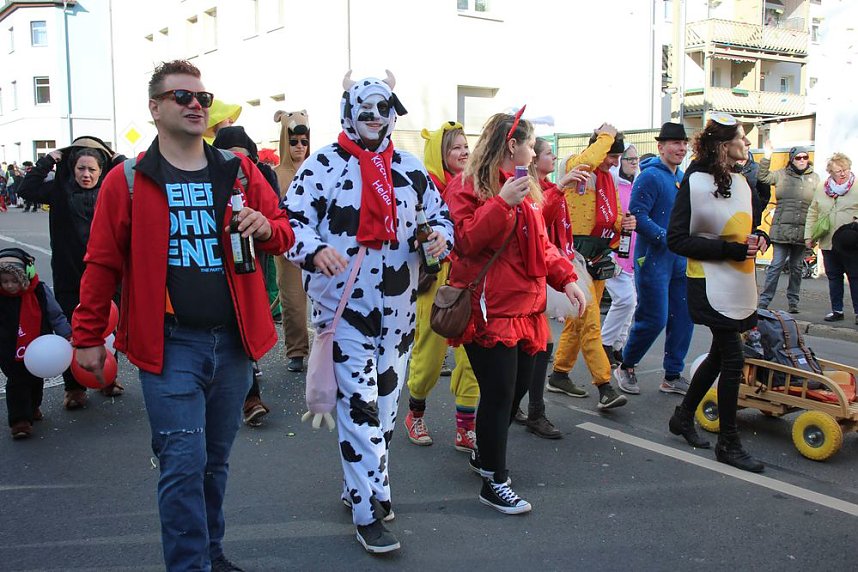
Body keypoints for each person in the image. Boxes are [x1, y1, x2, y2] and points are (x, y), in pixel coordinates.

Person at [72, 60, 294, 571]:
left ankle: (211, 555)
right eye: (182, 97)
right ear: (155, 108)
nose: (196, 105)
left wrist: (267, 227)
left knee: (213, 463)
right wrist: (86, 336)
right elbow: (101, 262)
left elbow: (285, 231)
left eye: (202, 97)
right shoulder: (128, 179)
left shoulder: (238, 171)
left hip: (233, 346)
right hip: (170, 347)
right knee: (182, 464)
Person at [284, 71, 452, 554]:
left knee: (384, 410)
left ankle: (358, 485)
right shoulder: (322, 166)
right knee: (359, 409)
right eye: (365, 109)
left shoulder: (410, 169)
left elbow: (441, 218)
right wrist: (315, 250)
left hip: (399, 315)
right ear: (348, 113)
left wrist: (439, 239)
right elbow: (290, 222)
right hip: (343, 312)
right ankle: (369, 507)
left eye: (384, 108)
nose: (375, 117)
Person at [445, 110, 586, 514]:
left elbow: (542, 244)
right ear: (512, 145)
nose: (536, 151)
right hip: (488, 310)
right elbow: (464, 242)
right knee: (500, 392)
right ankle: (495, 480)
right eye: (530, 143)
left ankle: (484, 454)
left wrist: (566, 278)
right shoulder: (468, 185)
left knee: (517, 389)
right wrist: (501, 203)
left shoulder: (528, 186)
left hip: (526, 309)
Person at [666, 112, 768, 473]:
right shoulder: (695, 181)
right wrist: (728, 250)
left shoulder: (741, 180)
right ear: (725, 145)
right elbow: (677, 239)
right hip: (707, 282)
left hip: (738, 281)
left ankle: (682, 417)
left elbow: (751, 225)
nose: (748, 143)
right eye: (742, 137)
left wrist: (760, 237)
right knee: (733, 360)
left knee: (718, 355)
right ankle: (729, 443)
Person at [17, 136, 126, 408]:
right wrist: (48, 160)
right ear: (72, 169)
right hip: (70, 275)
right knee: (71, 330)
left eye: (92, 169)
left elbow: (137, 180)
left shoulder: (112, 191)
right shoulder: (59, 191)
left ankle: (107, 378)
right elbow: (26, 189)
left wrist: (118, 160)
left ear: (102, 170)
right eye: (81, 168)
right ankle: (74, 387)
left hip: (107, 275)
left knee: (109, 326)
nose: (86, 174)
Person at [404, 121, 481, 452]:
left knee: (472, 356)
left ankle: (466, 427)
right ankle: (415, 413)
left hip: (469, 280)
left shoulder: (477, 184)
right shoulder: (424, 190)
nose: (464, 152)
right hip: (436, 280)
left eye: (466, 146)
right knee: (430, 354)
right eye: (455, 147)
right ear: (439, 153)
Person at [548, 124, 632, 410]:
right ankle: (605, 386)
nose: (615, 163)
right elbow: (588, 161)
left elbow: (614, 216)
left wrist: (624, 223)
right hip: (574, 257)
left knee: (578, 321)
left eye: (618, 157)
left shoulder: (608, 179)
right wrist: (606, 136)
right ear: (600, 147)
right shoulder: (575, 165)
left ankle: (559, 374)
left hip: (598, 258)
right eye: (612, 156)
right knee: (591, 322)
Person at [511, 136, 589, 438]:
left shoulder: (547, 186)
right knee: (532, 345)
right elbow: (538, 224)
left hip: (553, 266)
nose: (551, 158)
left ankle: (530, 408)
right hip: (532, 273)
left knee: (541, 343)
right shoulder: (529, 187)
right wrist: (560, 188)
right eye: (544, 152)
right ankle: (523, 408)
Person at [614, 122, 694, 395]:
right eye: (675, 143)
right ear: (661, 147)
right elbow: (637, 215)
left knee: (683, 317)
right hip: (652, 259)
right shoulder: (649, 177)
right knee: (654, 318)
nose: (681, 148)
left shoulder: (683, 177)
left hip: (680, 260)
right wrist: (666, 237)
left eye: (684, 143)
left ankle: (672, 375)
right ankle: (626, 365)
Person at [212, 125, 282, 428]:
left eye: (243, 157)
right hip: (209, 275)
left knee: (245, 325)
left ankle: (251, 397)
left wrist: (265, 227)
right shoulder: (202, 173)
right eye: (229, 156)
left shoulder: (258, 174)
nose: (237, 163)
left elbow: (280, 224)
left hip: (250, 262)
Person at [0, 248, 72, 439]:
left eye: (14, 280)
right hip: (9, 348)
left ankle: (32, 407)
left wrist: (66, 334)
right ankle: (20, 421)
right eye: (4, 281)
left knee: (35, 380)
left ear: (26, 275)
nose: (9, 285)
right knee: (16, 382)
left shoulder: (39, 291)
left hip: (39, 347)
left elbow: (55, 315)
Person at [756, 143, 819, 314]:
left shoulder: (815, 178)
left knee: (797, 268)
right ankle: (764, 301)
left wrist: (815, 234)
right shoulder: (781, 175)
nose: (802, 160)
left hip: (802, 231)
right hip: (781, 230)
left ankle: (793, 302)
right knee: (776, 266)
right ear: (792, 160)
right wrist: (767, 156)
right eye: (798, 157)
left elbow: (818, 205)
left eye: (805, 157)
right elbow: (763, 177)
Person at [272, 109, 312, 373]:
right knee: (294, 302)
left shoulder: (319, 168)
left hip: (320, 244)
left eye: (304, 141)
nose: (299, 146)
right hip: (289, 246)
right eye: (294, 141)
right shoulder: (275, 175)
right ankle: (296, 351)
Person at [805, 152, 858, 323]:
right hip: (828, 241)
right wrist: (808, 236)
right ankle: (837, 310)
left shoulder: (856, 186)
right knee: (834, 277)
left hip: (851, 243)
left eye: (846, 170)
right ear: (831, 172)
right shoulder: (823, 187)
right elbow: (813, 212)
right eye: (838, 171)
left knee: (855, 277)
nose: (843, 173)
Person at [602, 143, 640, 367]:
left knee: (630, 303)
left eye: (636, 159)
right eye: (629, 159)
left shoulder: (638, 185)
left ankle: (617, 346)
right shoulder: (613, 185)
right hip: (614, 253)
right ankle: (605, 343)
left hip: (634, 254)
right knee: (626, 300)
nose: (634, 163)